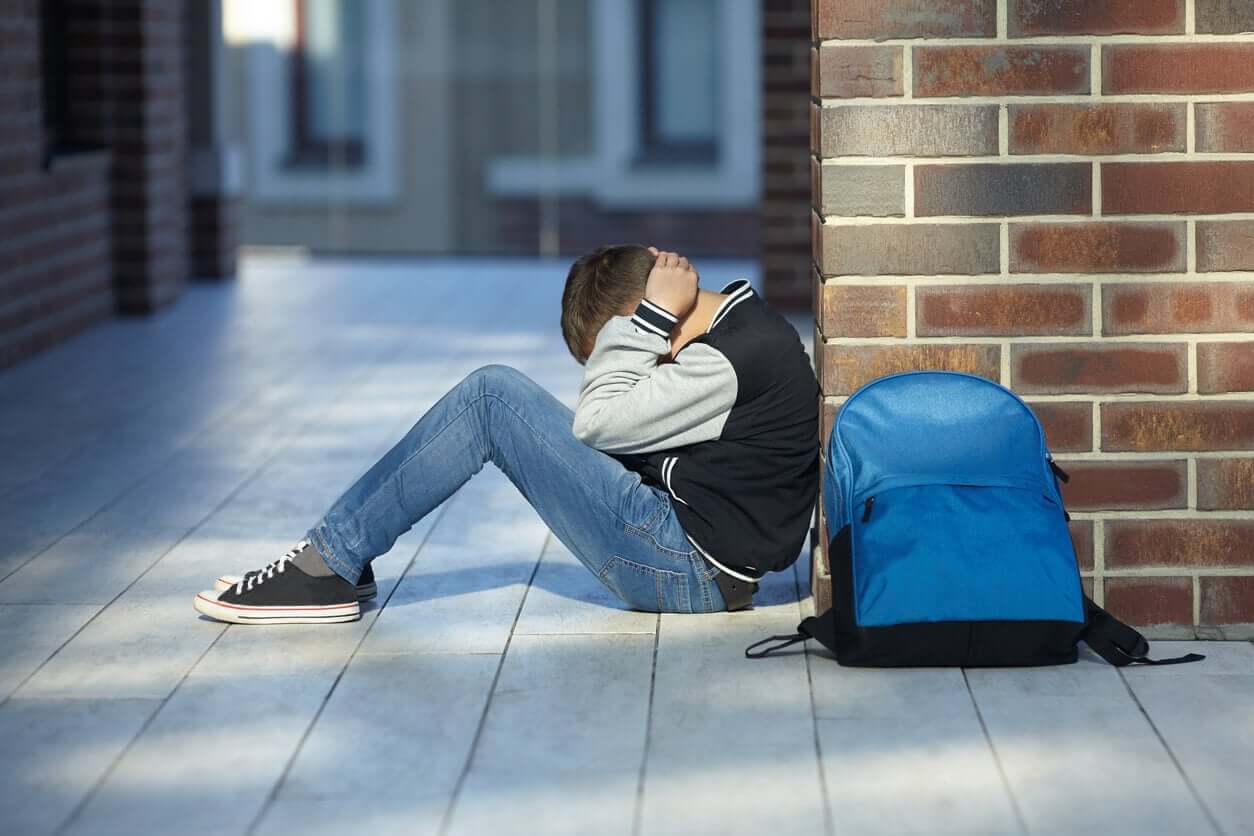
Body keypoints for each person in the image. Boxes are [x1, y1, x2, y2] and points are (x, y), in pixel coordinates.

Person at [192, 245, 820, 624]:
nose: (629, 363)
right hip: (695, 554)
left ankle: (327, 564)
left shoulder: (723, 361)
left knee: (492, 397)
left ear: (648, 319)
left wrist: (649, 320)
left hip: (685, 569)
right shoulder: (742, 332)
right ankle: (342, 558)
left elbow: (597, 422)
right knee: (502, 399)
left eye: (622, 348)